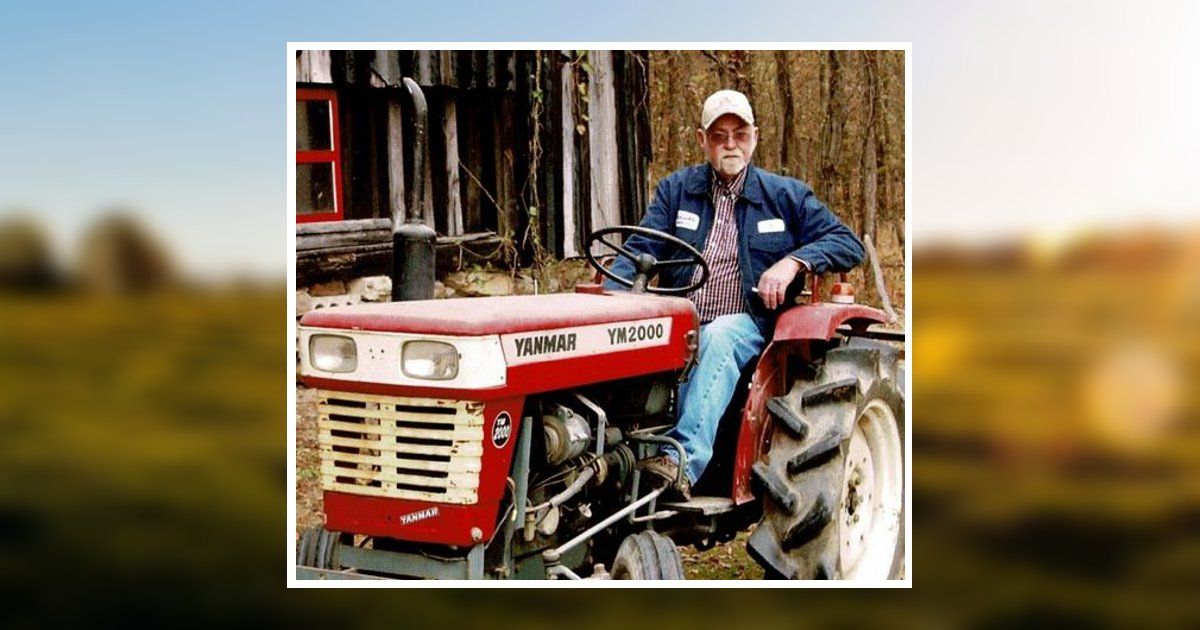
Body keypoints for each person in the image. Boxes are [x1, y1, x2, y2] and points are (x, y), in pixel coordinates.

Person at [602, 89, 865, 499]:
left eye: (739, 135)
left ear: (754, 137)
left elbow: (847, 243)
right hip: (681, 322)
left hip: (750, 324)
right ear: (702, 140)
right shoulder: (676, 191)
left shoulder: (785, 197)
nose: (730, 145)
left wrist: (794, 262)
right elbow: (639, 251)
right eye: (719, 135)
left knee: (719, 335)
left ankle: (679, 461)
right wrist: (609, 306)